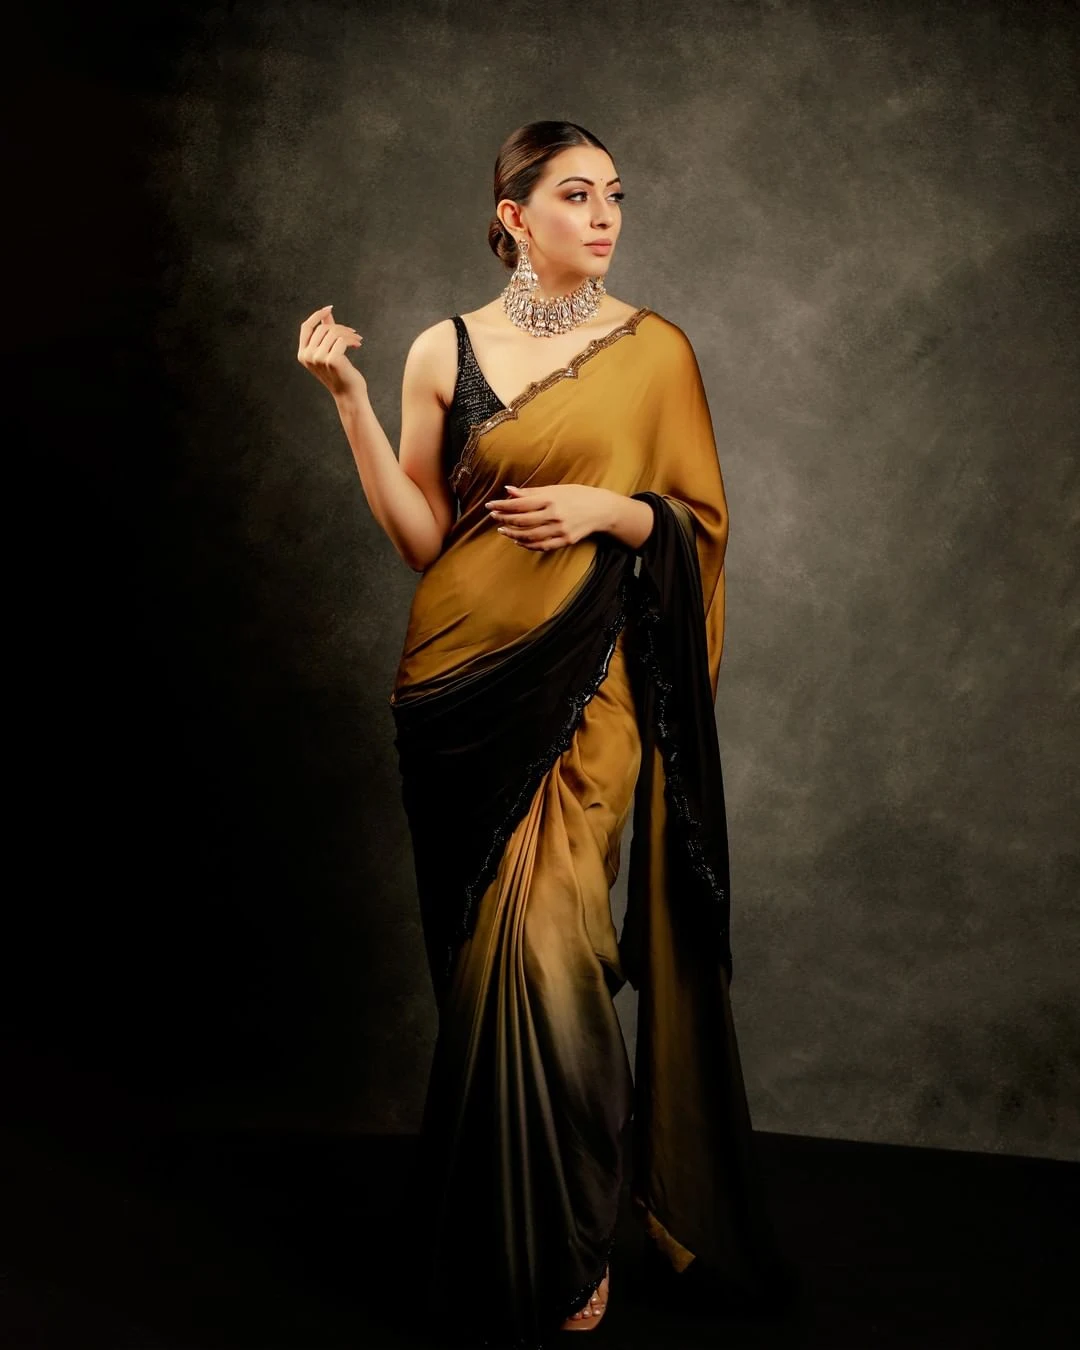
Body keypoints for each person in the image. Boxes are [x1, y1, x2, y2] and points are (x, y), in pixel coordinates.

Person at [298, 120, 787, 1350]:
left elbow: (698, 525)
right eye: (576, 195)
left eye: (614, 194)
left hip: (593, 688)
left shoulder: (656, 351)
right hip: (453, 688)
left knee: (556, 948)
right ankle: (496, 1235)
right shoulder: (443, 349)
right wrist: (350, 403)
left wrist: (611, 511)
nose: (605, 215)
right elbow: (424, 537)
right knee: (486, 970)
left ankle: (569, 1242)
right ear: (515, 215)